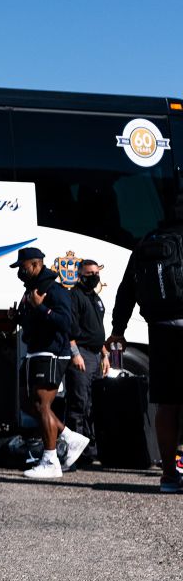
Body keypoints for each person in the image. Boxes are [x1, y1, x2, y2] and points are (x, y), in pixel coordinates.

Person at [108, 193, 183, 493]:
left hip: (161, 330)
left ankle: (168, 476)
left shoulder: (146, 243)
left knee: (167, 404)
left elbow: (126, 290)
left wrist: (118, 330)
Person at [10, 247, 89, 479]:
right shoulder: (31, 290)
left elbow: (67, 323)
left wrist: (41, 308)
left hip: (52, 353)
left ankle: (50, 460)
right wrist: (17, 317)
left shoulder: (54, 289)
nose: (19, 272)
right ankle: (70, 437)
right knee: (28, 404)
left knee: (42, 406)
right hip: (36, 351)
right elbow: (34, 319)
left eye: (22, 267)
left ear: (35, 265)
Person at [63, 259, 109, 466]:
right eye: (89, 274)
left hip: (96, 354)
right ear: (80, 275)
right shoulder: (75, 296)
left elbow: (97, 328)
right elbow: (70, 328)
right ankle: (76, 452)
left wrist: (105, 354)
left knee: (93, 405)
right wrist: (75, 354)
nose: (94, 277)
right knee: (79, 404)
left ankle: (91, 451)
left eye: (96, 273)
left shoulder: (95, 298)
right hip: (81, 354)